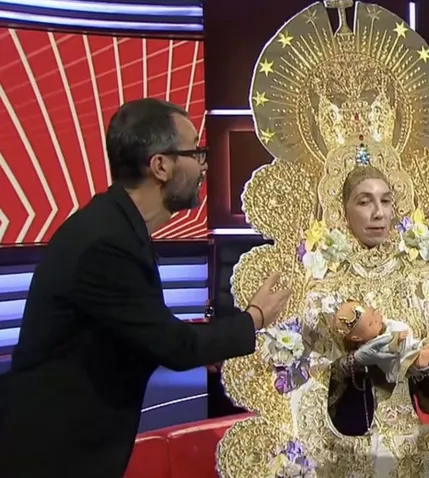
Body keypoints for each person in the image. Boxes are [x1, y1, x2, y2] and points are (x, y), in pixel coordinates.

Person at [0, 98, 292, 478]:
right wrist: (254, 318)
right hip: (48, 453)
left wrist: (207, 346)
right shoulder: (105, 243)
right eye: (195, 152)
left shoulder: (117, 227)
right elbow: (174, 346)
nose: (204, 166)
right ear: (161, 166)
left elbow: (139, 332)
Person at [323, 165, 429, 436]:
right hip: (353, 430)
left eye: (386, 201)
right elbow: (317, 375)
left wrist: (425, 364)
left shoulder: (422, 279)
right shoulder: (324, 284)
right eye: (364, 202)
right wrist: (357, 362)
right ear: (343, 210)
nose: (378, 213)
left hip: (418, 432)